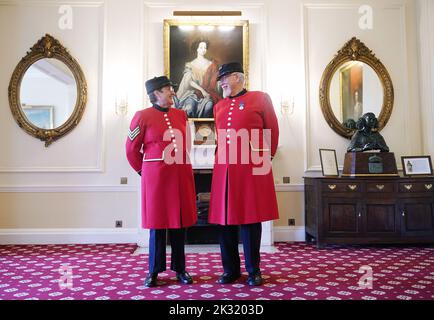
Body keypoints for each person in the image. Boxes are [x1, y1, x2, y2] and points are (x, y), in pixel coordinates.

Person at [208, 62, 280, 286]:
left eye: (225, 78)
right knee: (225, 222)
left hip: (250, 168)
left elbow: (272, 131)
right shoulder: (218, 106)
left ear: (238, 78)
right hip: (225, 170)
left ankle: (253, 270)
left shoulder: (260, 98)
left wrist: (265, 158)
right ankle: (230, 270)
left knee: (250, 221)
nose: (221, 83)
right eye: (220, 79)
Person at [126, 76, 197, 287]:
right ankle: (154, 271)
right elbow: (131, 150)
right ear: (156, 93)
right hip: (156, 179)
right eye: (168, 89)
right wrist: (145, 171)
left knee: (179, 223)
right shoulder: (142, 116)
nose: (172, 92)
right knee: (157, 226)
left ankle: (180, 269)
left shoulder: (181, 115)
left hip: (180, 176)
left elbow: (187, 145)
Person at [174, 40, 221, 118]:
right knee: (190, 106)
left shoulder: (211, 64)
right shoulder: (190, 64)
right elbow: (189, 81)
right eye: (201, 47)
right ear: (197, 49)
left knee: (209, 106)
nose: (203, 49)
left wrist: (207, 91)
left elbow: (215, 80)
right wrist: (202, 91)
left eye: (205, 48)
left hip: (208, 93)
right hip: (193, 93)